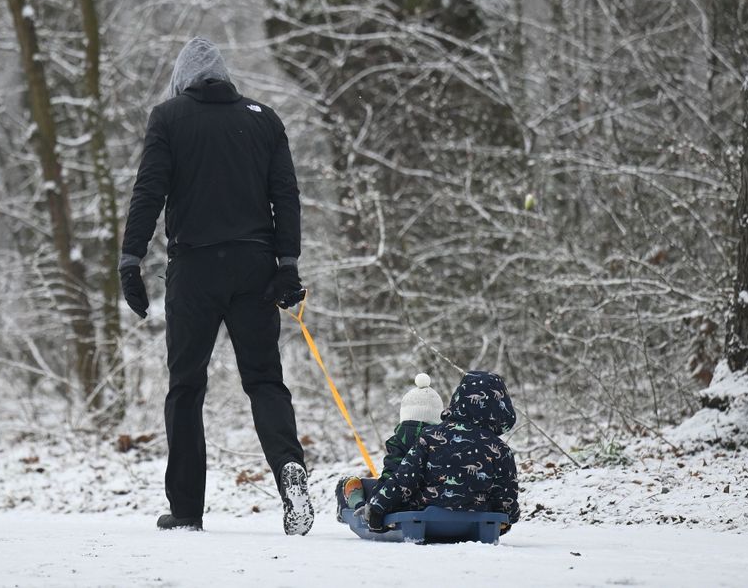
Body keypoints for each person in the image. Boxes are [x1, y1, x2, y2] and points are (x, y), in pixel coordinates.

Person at [118, 37, 313, 535]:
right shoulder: (264, 118)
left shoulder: (169, 118)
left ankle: (186, 510)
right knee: (265, 380)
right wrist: (286, 263)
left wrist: (130, 257)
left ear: (183, 80)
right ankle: (291, 474)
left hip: (196, 269)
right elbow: (285, 196)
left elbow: (150, 190)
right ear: (225, 78)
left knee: (186, 387)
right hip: (255, 267)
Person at [343, 371, 521, 534]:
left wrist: (378, 507)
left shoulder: (431, 437)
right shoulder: (500, 449)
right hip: (475, 523)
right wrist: (506, 517)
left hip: (426, 520)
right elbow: (506, 494)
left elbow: (404, 480)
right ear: (501, 409)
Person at [335, 373, 444, 517]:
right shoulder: (444, 441)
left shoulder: (400, 441)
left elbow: (391, 475)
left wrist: (375, 502)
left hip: (400, 503)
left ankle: (357, 505)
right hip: (436, 501)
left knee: (353, 484)